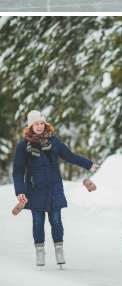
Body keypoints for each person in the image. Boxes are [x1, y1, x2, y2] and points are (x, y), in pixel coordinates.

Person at [13, 110, 100, 267]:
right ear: (30, 126)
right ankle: (40, 251)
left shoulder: (53, 141)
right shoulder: (23, 145)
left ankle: (59, 249)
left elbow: (70, 156)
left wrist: (88, 164)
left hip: (54, 187)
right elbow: (18, 170)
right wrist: (20, 191)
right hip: (34, 188)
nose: (39, 126)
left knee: (56, 220)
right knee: (38, 221)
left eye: (41, 123)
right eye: (36, 124)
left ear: (45, 124)